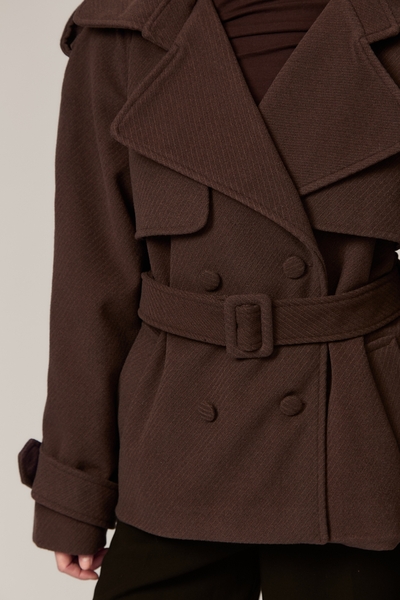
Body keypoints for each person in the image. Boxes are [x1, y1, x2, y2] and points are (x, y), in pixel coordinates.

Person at [17, 0, 400, 597]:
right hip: (177, 452)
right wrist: (75, 489)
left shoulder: (389, 28)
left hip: (357, 450)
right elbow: (90, 279)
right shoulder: (122, 36)